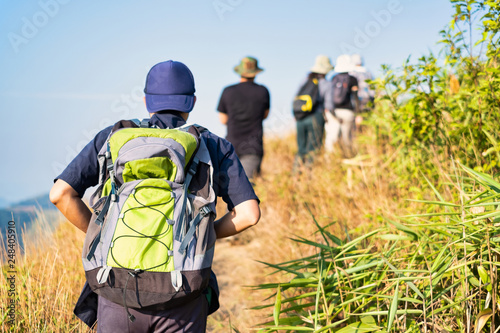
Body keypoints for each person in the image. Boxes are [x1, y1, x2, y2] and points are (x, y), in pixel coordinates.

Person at [49, 60, 261, 333]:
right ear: (192, 102)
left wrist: (101, 233)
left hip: (116, 287)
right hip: (182, 292)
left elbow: (60, 194)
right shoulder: (213, 145)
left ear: (147, 100)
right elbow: (249, 214)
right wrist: (202, 234)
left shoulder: (113, 138)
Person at [217, 56, 270, 179]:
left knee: (230, 187)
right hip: (253, 147)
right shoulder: (263, 91)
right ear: (256, 72)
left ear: (240, 71)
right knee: (249, 187)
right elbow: (265, 115)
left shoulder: (228, 91)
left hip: (231, 147)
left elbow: (223, 119)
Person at [293, 55, 334, 168]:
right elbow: (329, 106)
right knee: (313, 148)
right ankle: (309, 175)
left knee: (301, 149)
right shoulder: (326, 84)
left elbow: (296, 97)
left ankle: (296, 174)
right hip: (316, 117)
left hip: (300, 118)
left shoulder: (305, 80)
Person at [324, 54, 359, 158]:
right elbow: (355, 98)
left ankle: (329, 160)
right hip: (348, 112)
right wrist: (358, 112)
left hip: (333, 111)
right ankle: (347, 159)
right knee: (347, 139)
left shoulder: (332, 79)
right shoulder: (352, 79)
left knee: (332, 137)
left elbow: (328, 98)